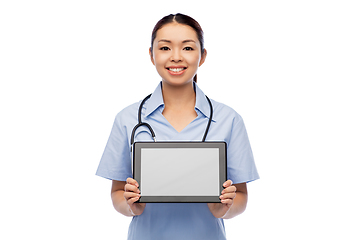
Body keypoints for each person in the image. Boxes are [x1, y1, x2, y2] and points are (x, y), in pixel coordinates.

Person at [96, 13, 259, 240]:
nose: (175, 57)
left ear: (202, 56)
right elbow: (116, 193)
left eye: (187, 48)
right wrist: (131, 205)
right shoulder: (127, 119)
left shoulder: (229, 120)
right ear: (151, 55)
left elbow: (241, 196)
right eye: (164, 48)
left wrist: (224, 209)